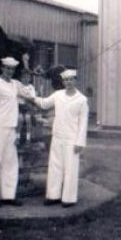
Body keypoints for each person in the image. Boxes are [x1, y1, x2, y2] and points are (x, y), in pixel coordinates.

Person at [27, 68, 89, 208]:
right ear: (63, 82)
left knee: (70, 168)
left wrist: (80, 142)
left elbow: (83, 123)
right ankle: (53, 195)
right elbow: (44, 104)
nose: (69, 83)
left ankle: (69, 198)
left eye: (71, 80)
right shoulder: (58, 95)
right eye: (66, 80)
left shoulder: (81, 100)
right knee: (55, 167)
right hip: (57, 137)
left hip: (72, 139)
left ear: (76, 81)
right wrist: (31, 96)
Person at [0, 56, 25, 207]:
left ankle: (8, 195)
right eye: (7, 68)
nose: (10, 71)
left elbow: (26, 93)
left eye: (12, 69)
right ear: (2, 68)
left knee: (11, 162)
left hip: (11, 128)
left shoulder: (15, 85)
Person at [17, 70, 36, 144]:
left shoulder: (31, 87)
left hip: (28, 106)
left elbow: (32, 98)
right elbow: (16, 95)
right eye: (24, 77)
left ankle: (28, 138)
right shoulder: (18, 86)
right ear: (21, 78)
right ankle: (17, 137)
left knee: (28, 119)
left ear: (30, 78)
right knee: (20, 119)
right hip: (19, 106)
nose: (26, 79)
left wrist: (23, 96)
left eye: (28, 77)